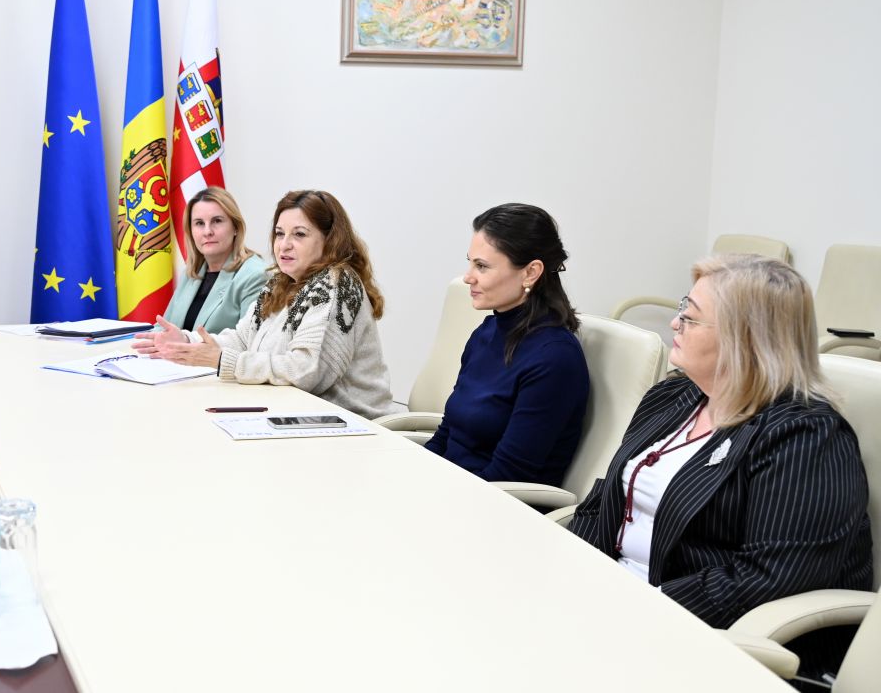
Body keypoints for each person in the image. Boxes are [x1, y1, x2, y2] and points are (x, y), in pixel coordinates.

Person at [568, 255, 872, 648]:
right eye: (683, 308)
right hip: (619, 604)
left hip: (706, 635)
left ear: (745, 338)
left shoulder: (804, 436)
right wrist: (574, 576)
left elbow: (769, 578)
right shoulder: (672, 396)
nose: (675, 323)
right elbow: (603, 502)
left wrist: (636, 610)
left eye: (691, 317)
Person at [133, 190, 399, 420]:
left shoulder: (336, 285)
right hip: (299, 416)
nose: (284, 245)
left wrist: (223, 361)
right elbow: (242, 339)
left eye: (299, 234)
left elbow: (305, 371)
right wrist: (186, 341)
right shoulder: (281, 283)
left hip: (353, 425)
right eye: (279, 234)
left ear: (330, 240)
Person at [424, 204, 589, 485]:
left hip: (493, 502)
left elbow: (507, 477)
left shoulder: (555, 359)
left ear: (530, 272)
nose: (468, 277)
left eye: (482, 266)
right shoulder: (486, 333)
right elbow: (447, 434)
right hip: (451, 486)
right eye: (470, 263)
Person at [161, 187, 268, 333]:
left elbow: (249, 340)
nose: (207, 232)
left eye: (217, 221)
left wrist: (185, 341)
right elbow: (164, 328)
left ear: (235, 227)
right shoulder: (191, 273)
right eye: (199, 223)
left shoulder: (255, 275)